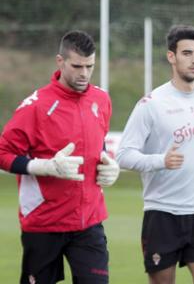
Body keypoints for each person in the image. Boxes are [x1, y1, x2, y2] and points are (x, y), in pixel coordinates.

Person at [0, 30, 118, 284]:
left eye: (90, 66)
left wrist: (109, 164)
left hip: (89, 222)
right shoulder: (36, 106)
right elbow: (3, 153)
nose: (84, 73)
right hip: (45, 224)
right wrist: (43, 166)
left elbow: (98, 147)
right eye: (77, 66)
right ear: (60, 61)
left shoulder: (101, 99)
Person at [116, 25, 194, 284]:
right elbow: (123, 154)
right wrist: (160, 161)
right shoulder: (152, 103)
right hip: (162, 214)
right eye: (187, 53)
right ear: (171, 56)